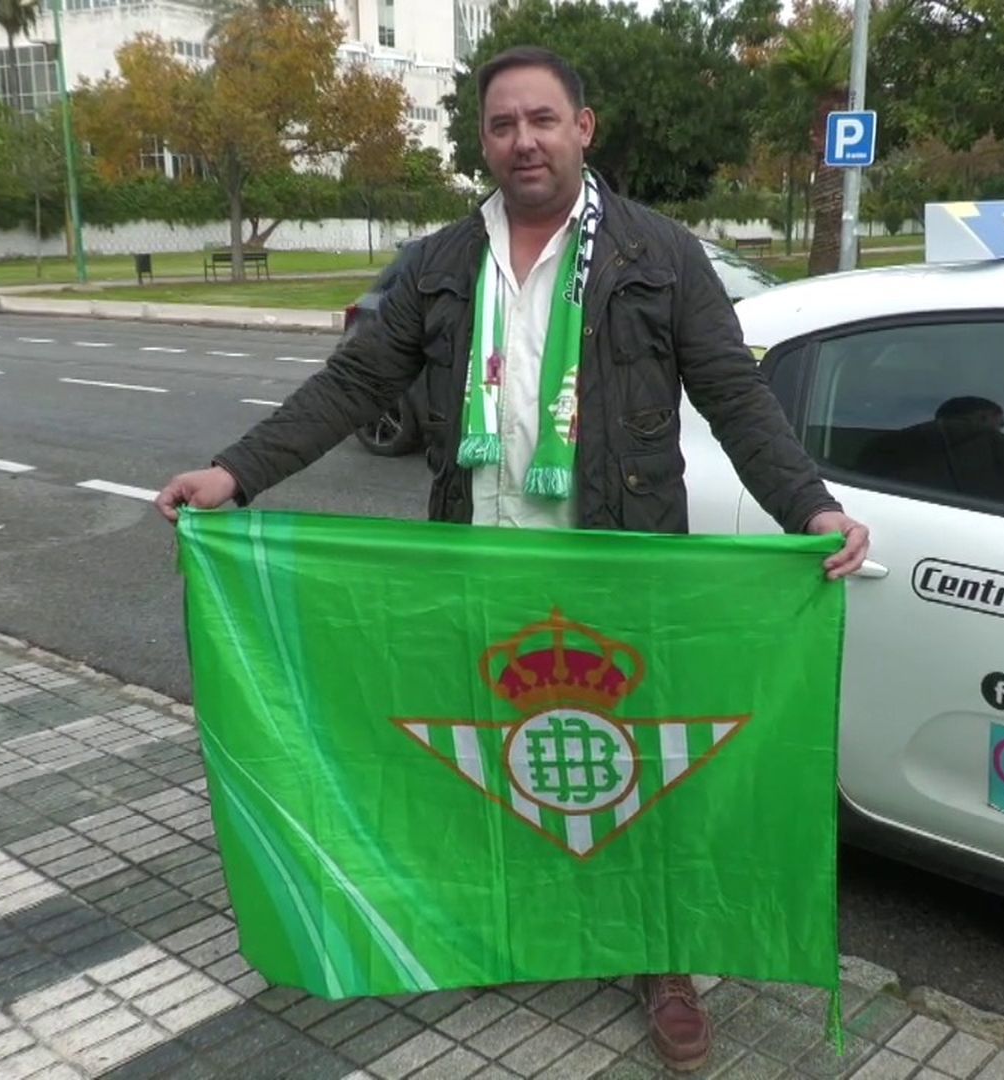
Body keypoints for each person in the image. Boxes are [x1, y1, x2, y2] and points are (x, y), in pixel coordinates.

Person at [156, 45, 869, 1073]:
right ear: (482, 142)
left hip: (621, 567)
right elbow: (353, 386)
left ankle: (662, 958)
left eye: (542, 119)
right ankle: (505, 928)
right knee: (495, 761)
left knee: (640, 775)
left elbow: (736, 396)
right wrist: (235, 473)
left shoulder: (660, 256)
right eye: (502, 125)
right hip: (479, 564)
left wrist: (807, 504)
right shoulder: (445, 265)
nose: (522, 140)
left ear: (585, 127)